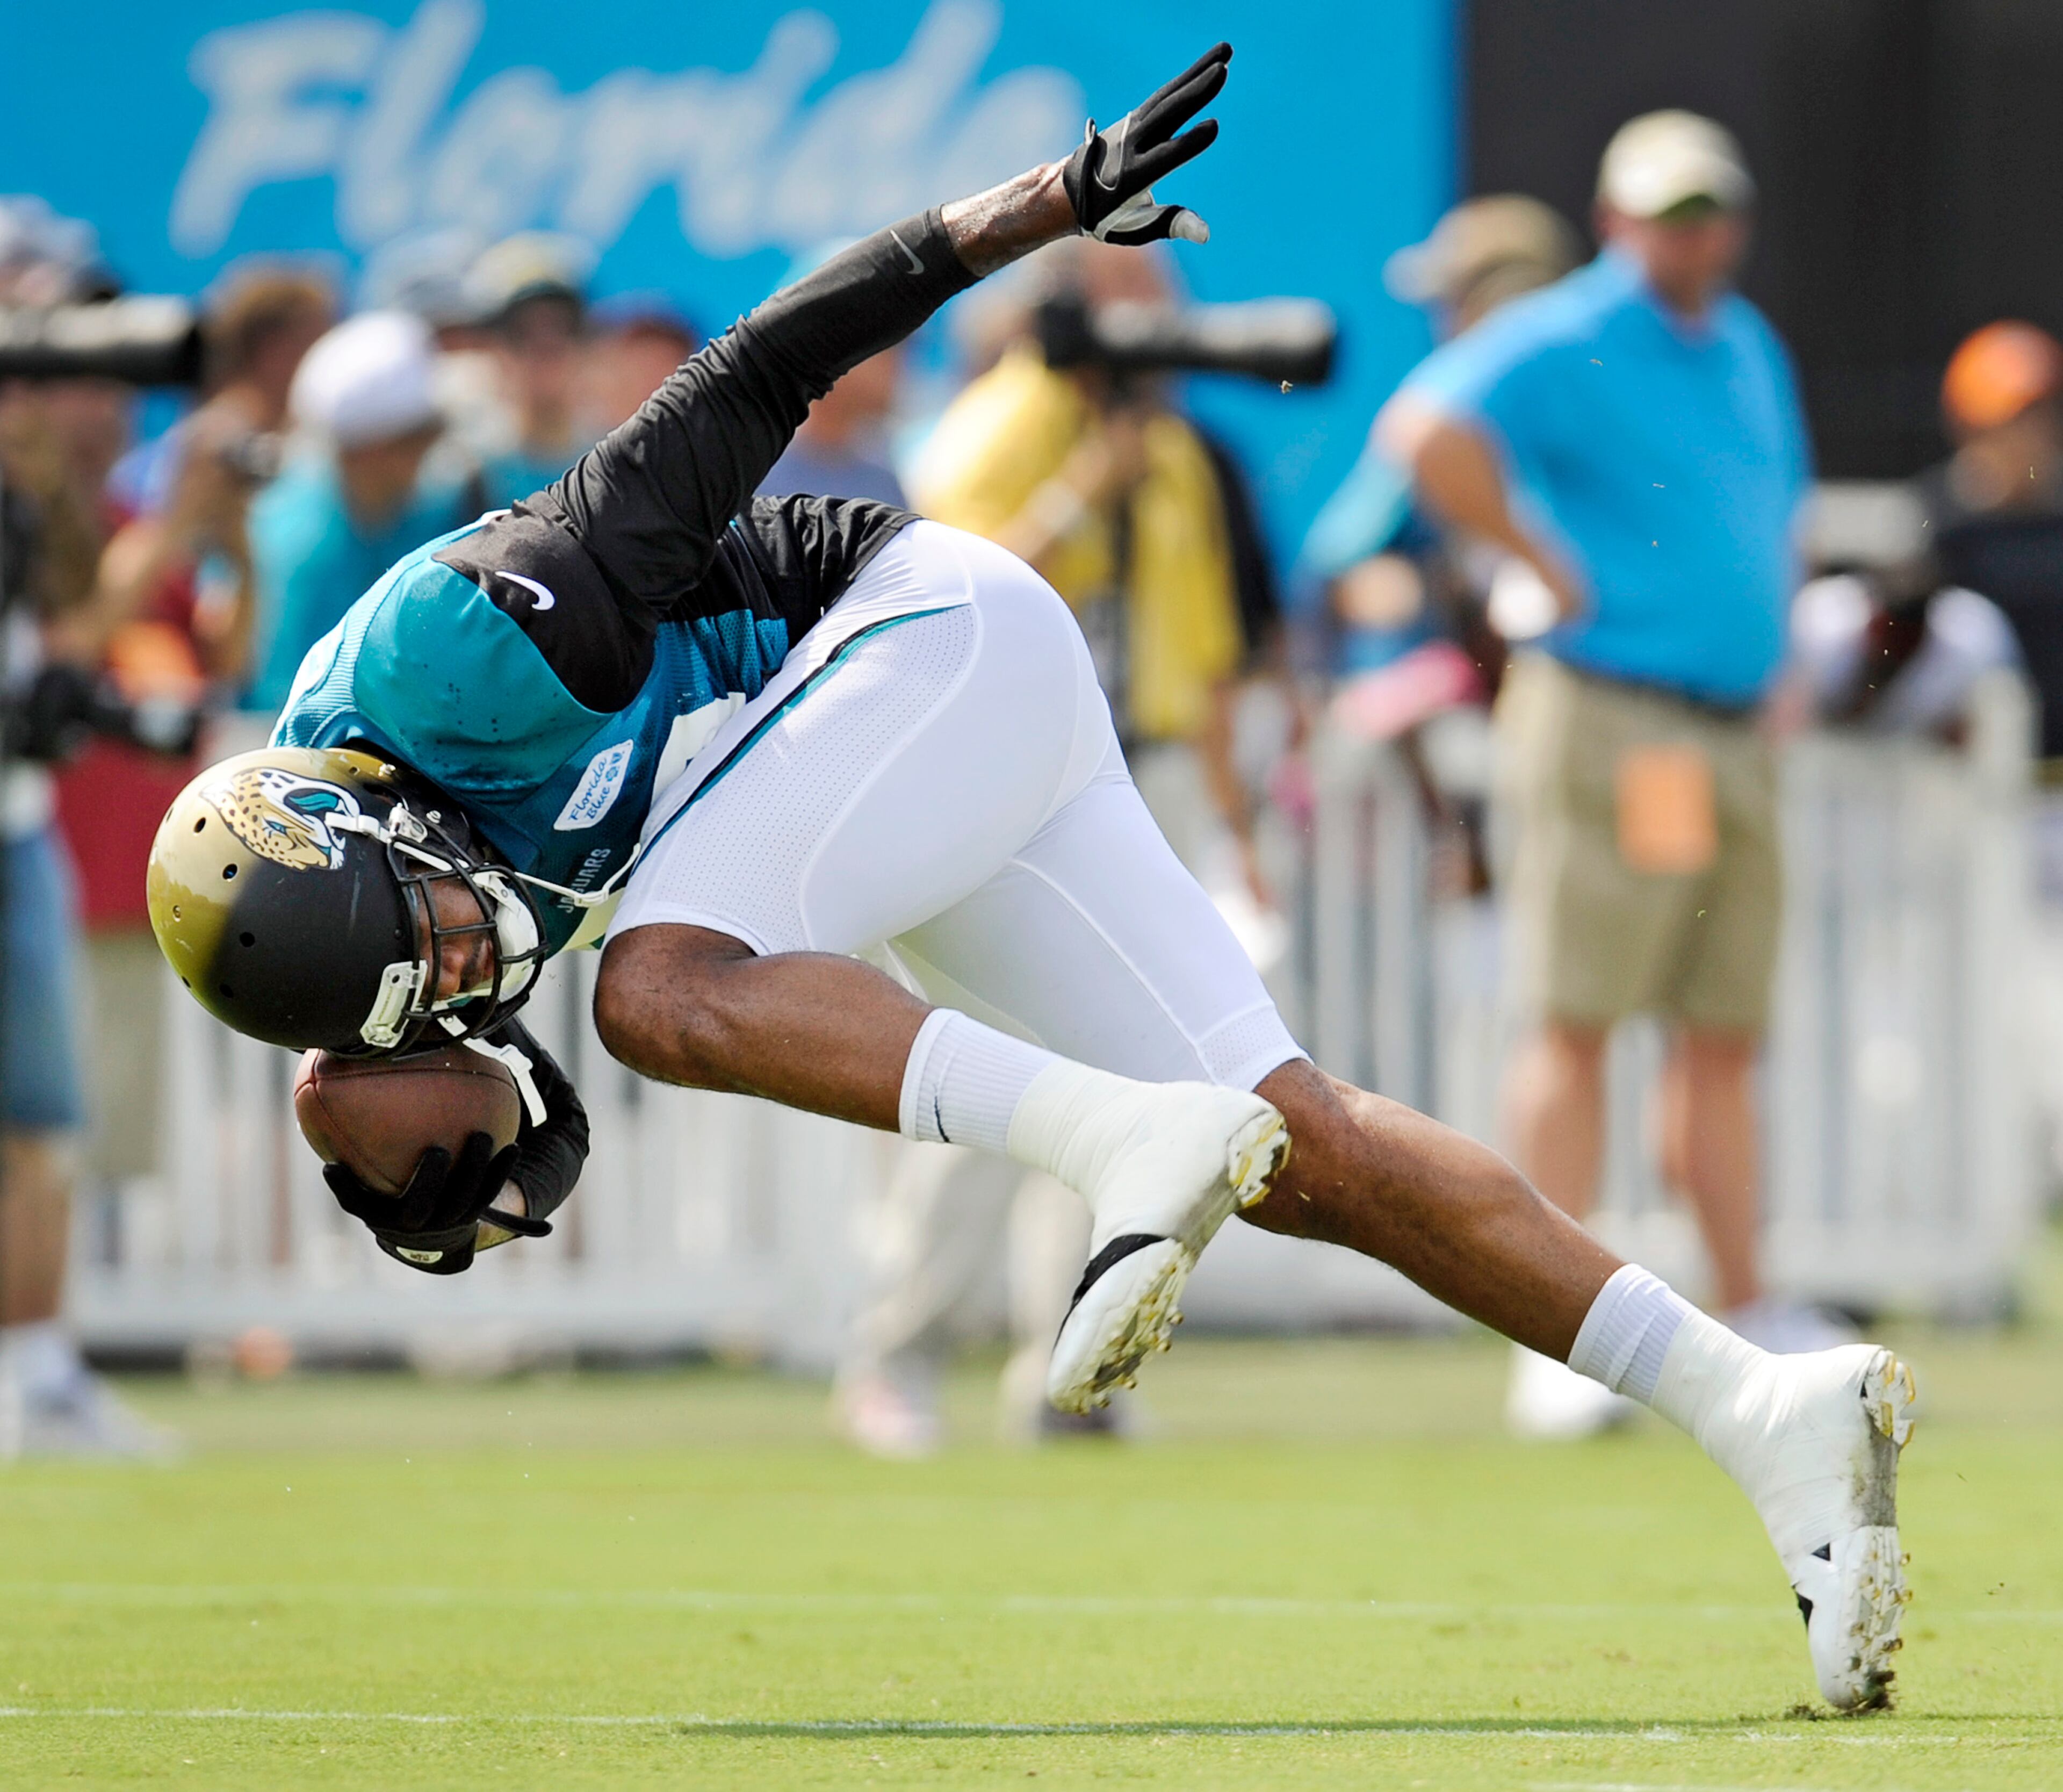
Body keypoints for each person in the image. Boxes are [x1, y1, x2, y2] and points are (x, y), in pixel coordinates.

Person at [145, 48, 1913, 1712]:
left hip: (918, 634)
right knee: (1311, 1149)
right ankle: (1765, 1404)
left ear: (374, 828)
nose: (469, 948)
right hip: (930, 733)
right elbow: (365, 1029)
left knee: (652, 986)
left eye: (438, 926)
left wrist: (1044, 204)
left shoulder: (471, 645)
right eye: (436, 972)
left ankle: (1115, 1148)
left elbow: (756, 369)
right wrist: (390, 1133)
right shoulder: (345, 944)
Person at [1378, 112, 1842, 1440]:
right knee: (1576, 1013)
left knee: (1719, 1027)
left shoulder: (1746, 344)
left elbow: (1770, 517)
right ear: (1617, 220)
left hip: (1725, 726)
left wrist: (1782, 647)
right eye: (1668, 210)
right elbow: (1426, 432)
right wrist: (1537, 555)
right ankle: (1555, 1324)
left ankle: (1745, 1300)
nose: (1693, 233)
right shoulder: (1569, 325)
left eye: (1711, 208)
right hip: (1614, 714)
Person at [244, 312, 477, 715]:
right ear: (367, 452)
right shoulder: (291, 546)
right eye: (418, 438)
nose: (430, 452)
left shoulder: (439, 508)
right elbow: (281, 702)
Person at [464, 234, 595, 507]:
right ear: (494, 347)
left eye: (563, 327)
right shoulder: (464, 475)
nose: (547, 346)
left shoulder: (619, 465)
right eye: (522, 331)